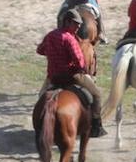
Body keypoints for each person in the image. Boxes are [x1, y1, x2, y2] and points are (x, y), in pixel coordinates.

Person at [37, 8, 107, 137]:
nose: (78, 26)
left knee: (41, 95)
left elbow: (40, 50)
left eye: (79, 24)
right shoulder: (70, 39)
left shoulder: (50, 35)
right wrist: (82, 70)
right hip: (71, 76)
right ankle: (96, 126)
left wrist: (52, 54)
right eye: (76, 23)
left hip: (53, 77)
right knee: (97, 95)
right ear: (67, 22)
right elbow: (80, 61)